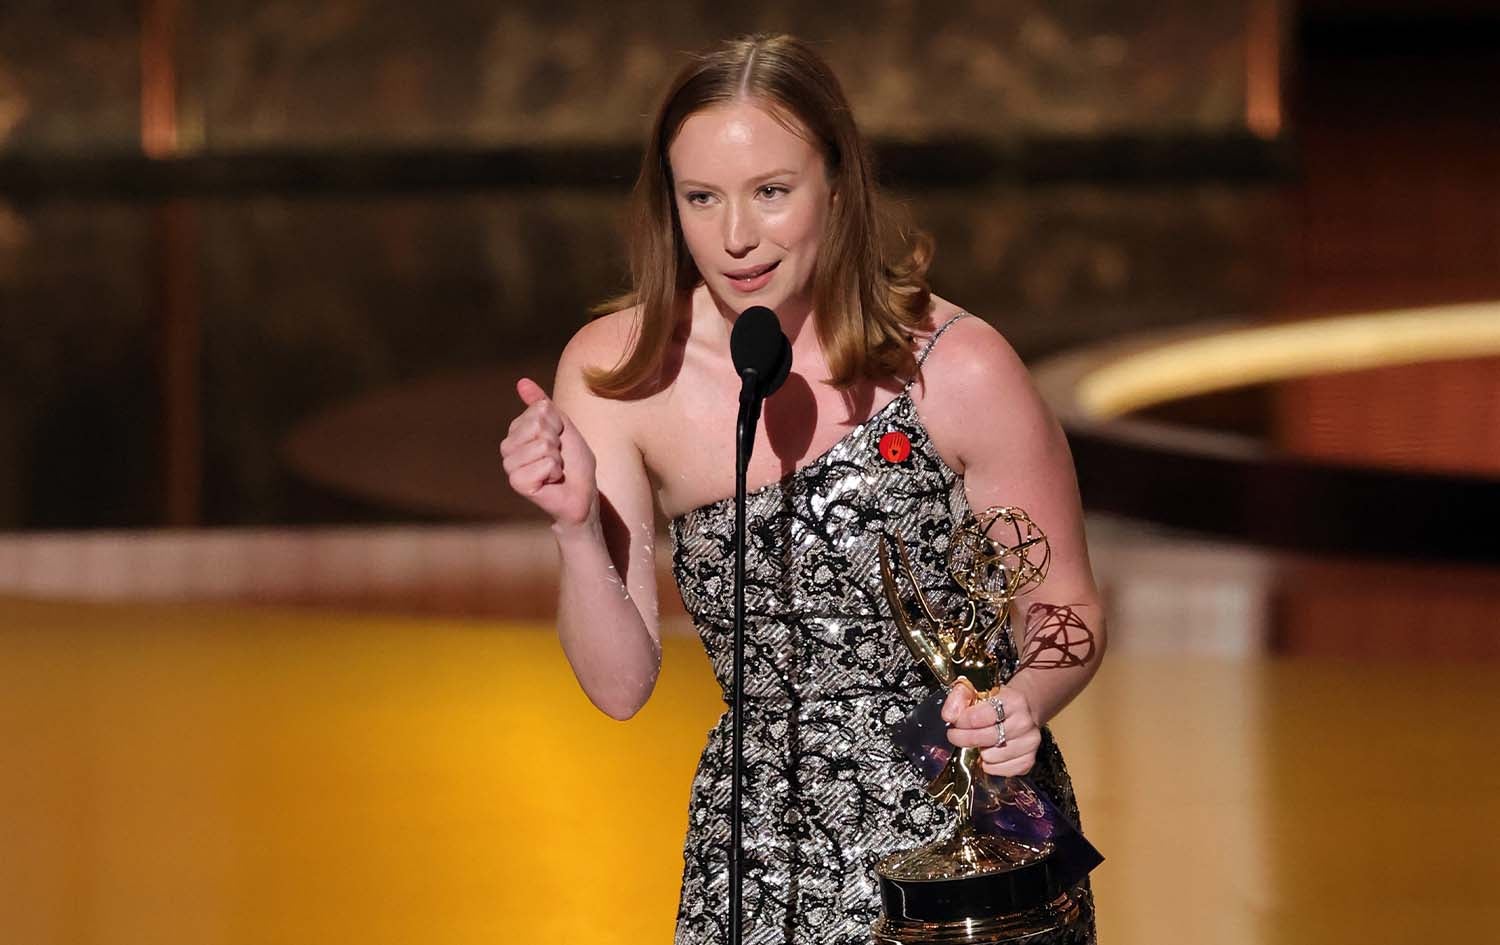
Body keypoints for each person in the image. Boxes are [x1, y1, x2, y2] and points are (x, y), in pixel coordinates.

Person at [500, 33, 1105, 945]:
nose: (735, 236)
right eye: (702, 197)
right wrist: (576, 529)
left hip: (968, 827)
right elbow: (620, 688)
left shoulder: (958, 366)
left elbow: (1065, 606)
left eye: (771, 192)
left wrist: (1027, 698)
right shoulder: (619, 373)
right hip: (756, 844)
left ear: (838, 185)